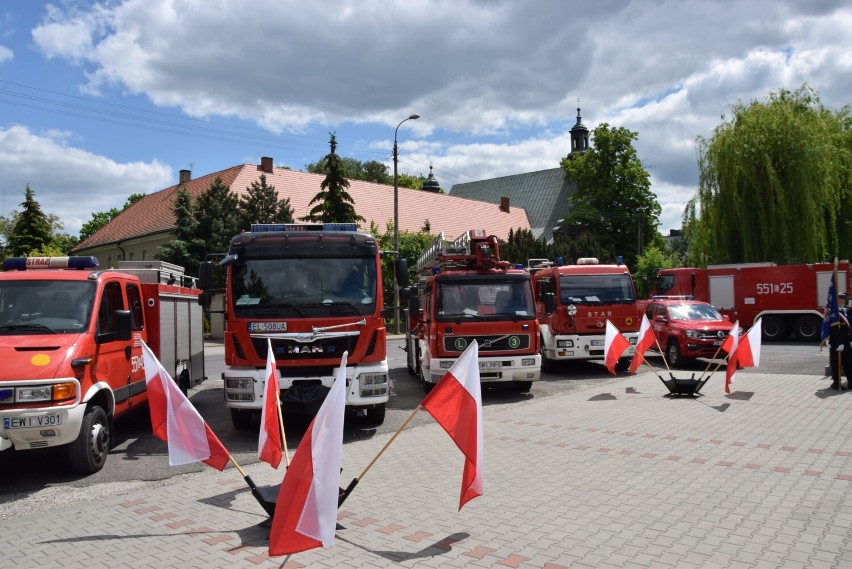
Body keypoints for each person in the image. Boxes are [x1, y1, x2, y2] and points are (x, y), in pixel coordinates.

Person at [829, 292, 852, 390]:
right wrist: (837, 342)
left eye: (843, 299)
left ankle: (851, 381)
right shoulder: (831, 312)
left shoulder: (847, 310)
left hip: (846, 341)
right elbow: (831, 328)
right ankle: (836, 383)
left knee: (849, 362)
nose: (842, 301)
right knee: (836, 363)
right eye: (840, 299)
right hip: (836, 342)